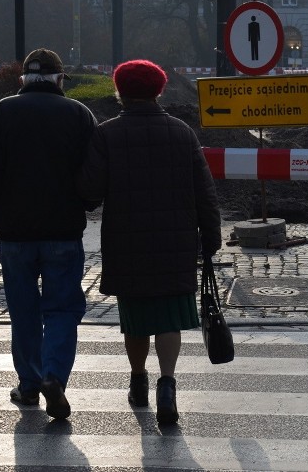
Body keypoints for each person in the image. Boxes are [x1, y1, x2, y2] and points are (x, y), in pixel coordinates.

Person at [77, 59, 222, 426]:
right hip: (176, 241)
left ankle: (138, 380)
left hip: (127, 243)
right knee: (169, 317)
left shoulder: (107, 133)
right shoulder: (182, 132)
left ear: (119, 91)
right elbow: (204, 191)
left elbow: (90, 193)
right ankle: (168, 385)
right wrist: (212, 236)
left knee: (136, 318)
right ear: (159, 90)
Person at [0, 48, 98, 420]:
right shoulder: (78, 114)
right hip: (63, 230)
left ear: (23, 79)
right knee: (61, 308)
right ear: (59, 79)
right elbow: (93, 169)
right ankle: (53, 376)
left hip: (14, 232)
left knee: (23, 309)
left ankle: (28, 384)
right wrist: (86, 203)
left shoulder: (3, 111)